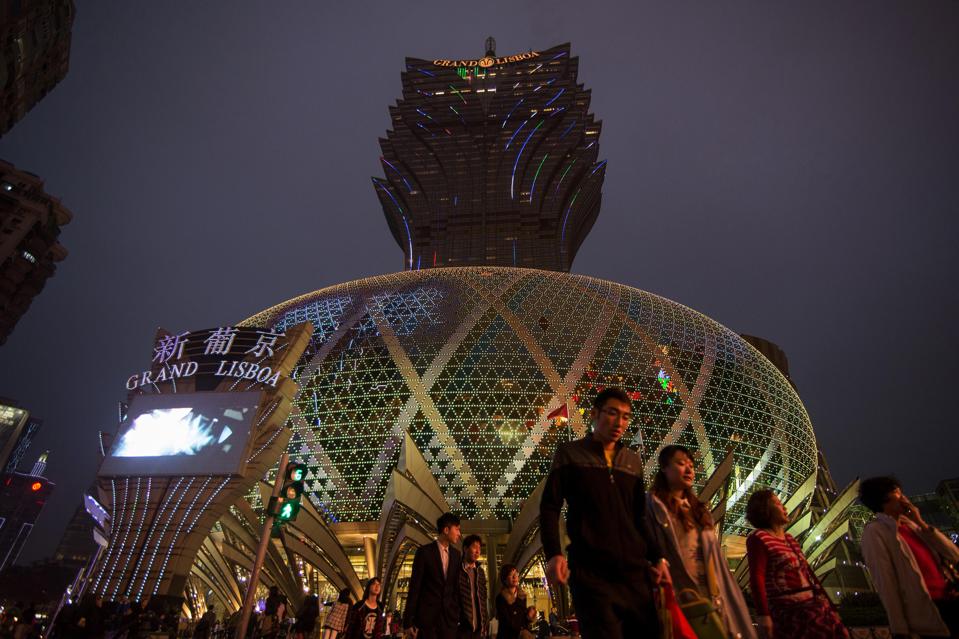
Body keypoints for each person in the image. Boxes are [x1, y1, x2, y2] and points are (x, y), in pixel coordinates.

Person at [539, 387, 668, 639]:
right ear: (594, 414)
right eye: (612, 413)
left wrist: (658, 556)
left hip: (635, 572)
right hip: (591, 572)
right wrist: (554, 553)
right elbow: (550, 506)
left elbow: (639, 516)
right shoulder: (569, 454)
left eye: (626, 416)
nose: (619, 422)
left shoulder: (632, 460)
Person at [646, 444, 757, 639]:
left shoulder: (700, 512)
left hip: (710, 596)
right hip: (675, 595)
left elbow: (715, 561)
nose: (689, 469)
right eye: (680, 463)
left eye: (691, 465)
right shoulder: (651, 507)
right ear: (664, 467)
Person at [859, 476, 959, 638]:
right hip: (927, 612)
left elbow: (954, 554)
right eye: (896, 492)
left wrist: (921, 522)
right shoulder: (875, 532)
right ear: (883, 499)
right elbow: (886, 582)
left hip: (950, 599)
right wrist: (899, 628)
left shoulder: (913, 526)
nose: (903, 497)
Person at [745, 489, 848, 639]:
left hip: (815, 608)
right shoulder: (758, 538)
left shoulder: (790, 540)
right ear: (764, 509)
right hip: (788, 613)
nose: (784, 507)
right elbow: (756, 578)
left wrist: (831, 609)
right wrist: (764, 615)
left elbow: (809, 575)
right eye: (778, 503)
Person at [403, 512, 463, 639]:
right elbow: (415, 587)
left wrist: (456, 613)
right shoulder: (424, 552)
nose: (459, 534)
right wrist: (408, 621)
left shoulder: (457, 555)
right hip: (426, 621)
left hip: (448, 620)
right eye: (457, 529)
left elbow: (455, 588)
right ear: (446, 530)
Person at [457, 534, 489, 639]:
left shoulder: (480, 571)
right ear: (465, 548)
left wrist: (485, 623)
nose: (478, 551)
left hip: (479, 629)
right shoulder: (457, 569)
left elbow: (483, 597)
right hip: (462, 628)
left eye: (479, 548)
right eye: (475, 547)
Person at [494, 565, 527, 639]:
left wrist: (529, 616)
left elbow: (523, 619)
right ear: (505, 579)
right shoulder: (500, 598)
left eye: (516, 574)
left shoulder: (522, 596)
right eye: (511, 574)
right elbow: (506, 621)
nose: (514, 577)